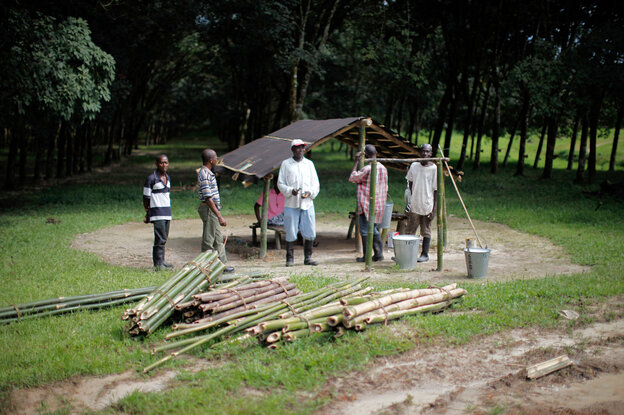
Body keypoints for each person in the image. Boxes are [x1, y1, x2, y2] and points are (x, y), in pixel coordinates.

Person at [277, 139, 320, 267]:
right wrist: (291, 191)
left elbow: (315, 184)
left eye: (302, 147)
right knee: (290, 230)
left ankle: (308, 257)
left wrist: (310, 193)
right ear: (292, 150)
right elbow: (280, 183)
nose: (300, 150)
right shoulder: (286, 164)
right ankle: (289, 259)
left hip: (307, 203)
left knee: (310, 230)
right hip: (291, 203)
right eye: (297, 148)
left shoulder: (309, 164)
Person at [349, 144, 388, 262]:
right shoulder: (383, 168)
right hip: (379, 204)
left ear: (365, 154)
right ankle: (378, 254)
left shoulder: (367, 169)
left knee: (365, 230)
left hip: (367, 204)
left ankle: (368, 257)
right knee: (373, 228)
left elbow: (353, 178)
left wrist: (356, 161)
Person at [197, 149, 234, 273]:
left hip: (213, 209)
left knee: (218, 239)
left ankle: (222, 265)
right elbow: (208, 198)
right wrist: (219, 216)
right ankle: (204, 265)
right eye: (216, 158)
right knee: (209, 238)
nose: (217, 160)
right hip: (209, 209)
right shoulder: (204, 174)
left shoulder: (209, 173)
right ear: (211, 160)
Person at [405, 143, 437, 262]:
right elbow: (410, 183)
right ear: (419, 152)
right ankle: (407, 254)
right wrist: (409, 203)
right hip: (415, 204)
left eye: (427, 152)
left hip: (427, 204)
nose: (425, 154)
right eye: (423, 151)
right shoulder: (414, 166)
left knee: (426, 231)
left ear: (431, 153)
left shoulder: (434, 168)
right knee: (410, 230)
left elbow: (436, 190)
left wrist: (433, 210)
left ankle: (425, 254)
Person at [143, 154, 173, 271]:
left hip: (166, 212)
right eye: (161, 163)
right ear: (157, 164)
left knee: (164, 238)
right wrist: (147, 212)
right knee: (159, 238)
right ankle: (157, 264)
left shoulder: (168, 177)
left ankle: (162, 261)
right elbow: (146, 197)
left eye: (166, 162)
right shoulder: (151, 178)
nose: (164, 165)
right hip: (157, 212)